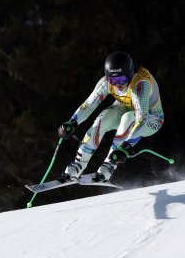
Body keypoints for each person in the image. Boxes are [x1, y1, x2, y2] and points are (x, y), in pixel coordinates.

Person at [58, 51, 164, 183]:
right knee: (101, 118)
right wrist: (72, 122)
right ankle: (78, 166)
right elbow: (89, 105)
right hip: (125, 107)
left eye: (121, 79)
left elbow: (141, 118)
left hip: (152, 119)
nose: (117, 85)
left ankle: (108, 166)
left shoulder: (141, 86)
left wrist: (125, 148)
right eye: (112, 80)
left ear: (130, 74)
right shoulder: (106, 83)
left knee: (128, 118)